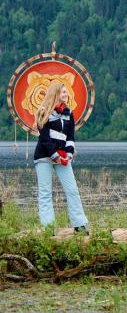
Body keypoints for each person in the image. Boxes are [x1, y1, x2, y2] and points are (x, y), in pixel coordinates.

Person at [33, 82, 89, 234]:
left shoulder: (69, 113)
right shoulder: (43, 111)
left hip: (63, 157)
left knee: (72, 190)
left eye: (66, 92)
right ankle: (49, 228)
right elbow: (44, 139)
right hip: (44, 156)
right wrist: (55, 156)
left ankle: (80, 225)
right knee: (45, 192)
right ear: (56, 93)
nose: (66, 94)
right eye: (63, 92)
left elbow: (70, 136)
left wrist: (69, 153)